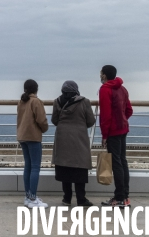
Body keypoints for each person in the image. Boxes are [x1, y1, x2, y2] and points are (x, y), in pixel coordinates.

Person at [51, 81, 95, 207]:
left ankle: (67, 198)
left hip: (62, 137)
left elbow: (54, 120)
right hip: (79, 138)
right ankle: (81, 198)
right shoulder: (84, 102)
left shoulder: (57, 101)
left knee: (64, 167)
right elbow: (91, 121)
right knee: (79, 167)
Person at [99, 65, 133, 207]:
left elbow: (105, 115)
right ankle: (125, 197)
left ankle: (119, 198)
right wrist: (122, 120)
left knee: (116, 163)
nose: (100, 76)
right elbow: (129, 110)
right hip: (123, 129)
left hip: (113, 131)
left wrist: (104, 134)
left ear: (105, 75)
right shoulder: (123, 89)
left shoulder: (105, 90)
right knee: (122, 161)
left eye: (101, 74)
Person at [16, 79, 49, 208]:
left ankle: (28, 196)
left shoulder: (21, 102)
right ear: (36, 89)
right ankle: (33, 198)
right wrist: (44, 129)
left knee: (28, 167)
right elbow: (41, 120)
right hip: (33, 137)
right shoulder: (36, 102)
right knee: (35, 167)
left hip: (22, 136)